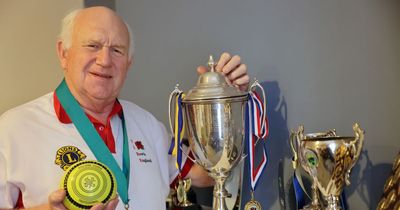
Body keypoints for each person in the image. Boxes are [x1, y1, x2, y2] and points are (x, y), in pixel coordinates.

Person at [0, 6, 250, 210]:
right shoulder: (13, 128)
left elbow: (208, 175)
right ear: (63, 53)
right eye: (92, 46)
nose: (105, 60)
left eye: (117, 50)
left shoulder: (149, 126)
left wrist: (224, 104)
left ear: (129, 63)